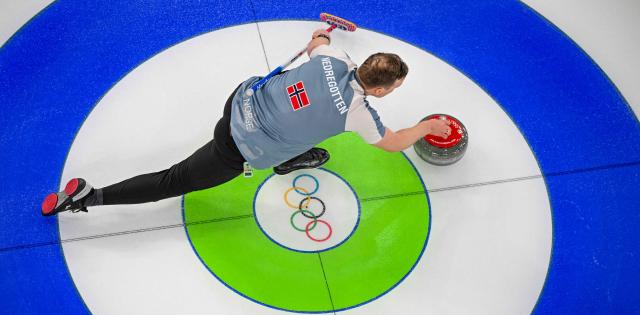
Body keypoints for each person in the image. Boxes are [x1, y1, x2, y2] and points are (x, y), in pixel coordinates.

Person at [41, 28, 451, 216]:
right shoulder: (359, 113)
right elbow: (395, 141)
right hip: (238, 146)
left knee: (306, 123)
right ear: (379, 91)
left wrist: (324, 35)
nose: (392, 92)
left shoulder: (335, 58)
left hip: (238, 104)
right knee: (173, 180)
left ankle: (289, 158)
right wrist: (427, 129)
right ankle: (89, 196)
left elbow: (317, 42)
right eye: (394, 87)